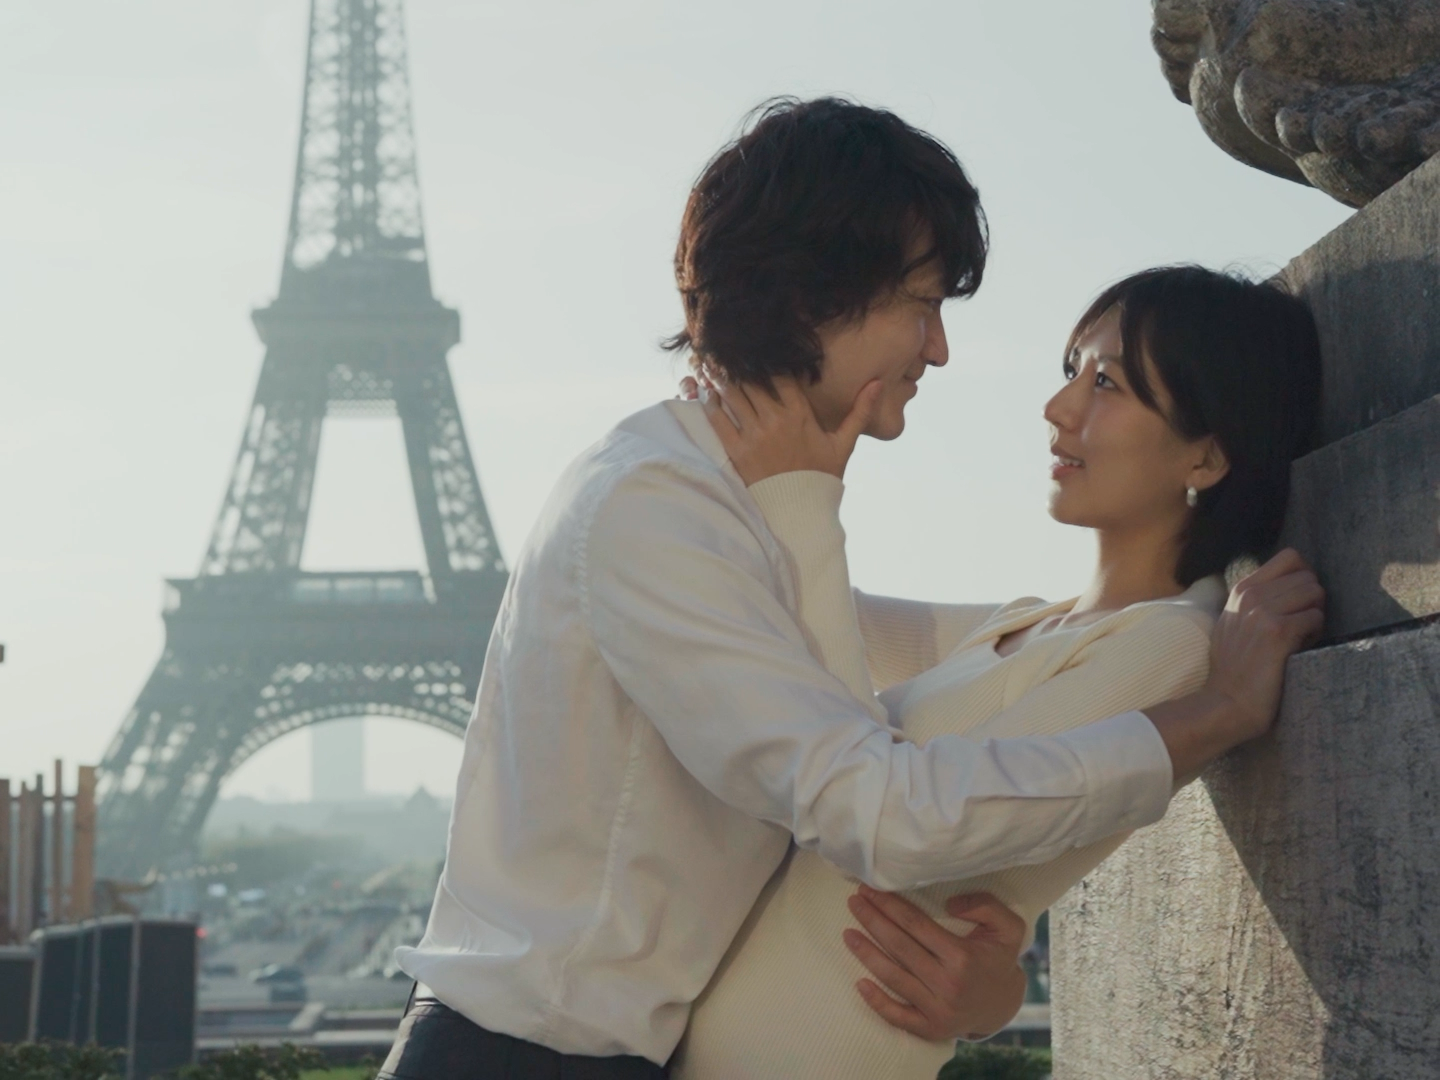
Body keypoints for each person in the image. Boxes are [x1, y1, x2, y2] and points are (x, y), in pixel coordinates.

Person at [379, 99, 1323, 1080]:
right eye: (923, 305)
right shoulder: (659, 509)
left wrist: (994, 983)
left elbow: (954, 675)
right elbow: (879, 808)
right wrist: (1215, 716)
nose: (941, 348)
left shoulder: (706, 496)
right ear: (811, 299)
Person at [672, 264, 1322, 1079]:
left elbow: (906, 814)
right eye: (1071, 372)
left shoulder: (1174, 648)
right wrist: (763, 443)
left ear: (1206, 455)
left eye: (1108, 383)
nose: (1060, 408)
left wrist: (802, 488)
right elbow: (808, 611)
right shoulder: (1027, 623)